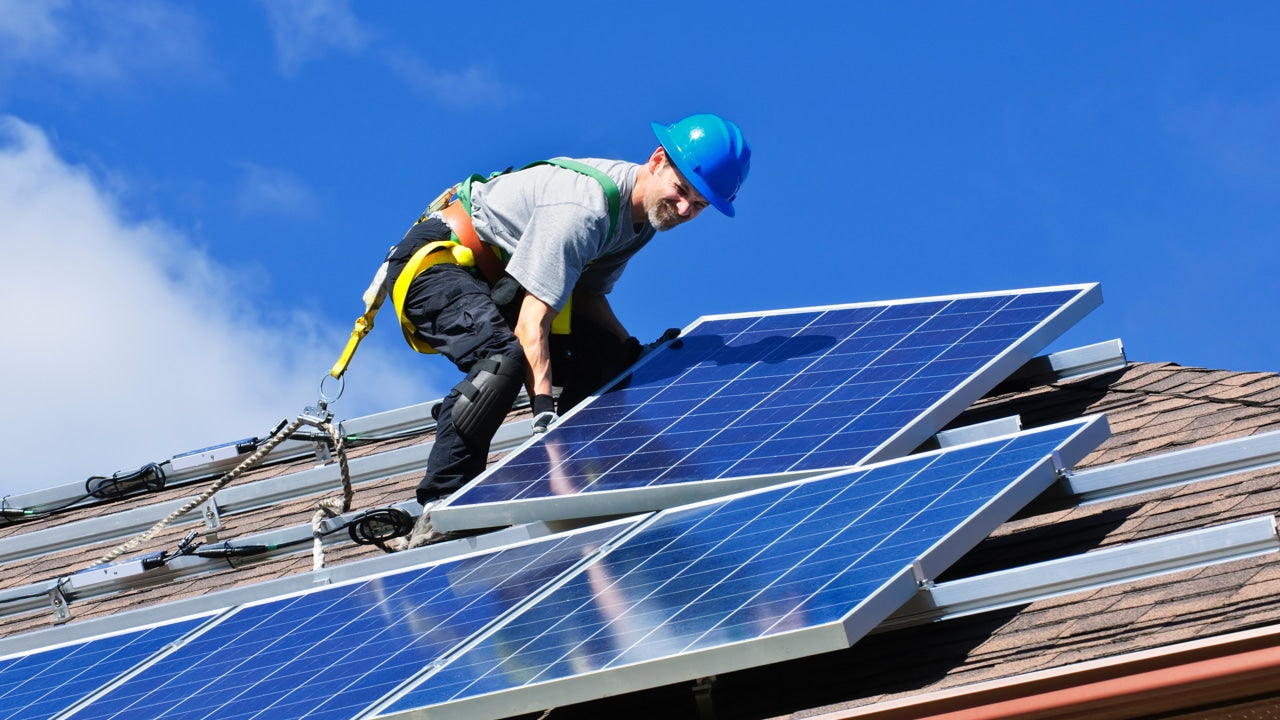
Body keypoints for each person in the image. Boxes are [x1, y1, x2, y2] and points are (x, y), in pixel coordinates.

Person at [385, 114, 751, 514]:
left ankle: (594, 475)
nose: (683, 209)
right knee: (502, 360)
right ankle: (445, 502)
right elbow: (530, 326)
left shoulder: (641, 223)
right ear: (657, 159)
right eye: (681, 190)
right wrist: (544, 415)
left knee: (611, 360)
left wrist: (630, 350)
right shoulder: (585, 209)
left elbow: (587, 295)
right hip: (437, 263)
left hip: (500, 283)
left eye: (698, 205)